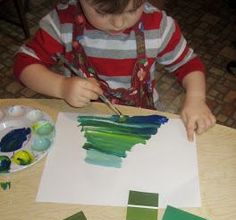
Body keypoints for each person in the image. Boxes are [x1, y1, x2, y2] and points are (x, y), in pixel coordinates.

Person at [14, 0, 216, 141]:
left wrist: (196, 99)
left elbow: (188, 64)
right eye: (103, 12)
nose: (119, 23)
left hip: (143, 117)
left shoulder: (158, 25)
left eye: (133, 9)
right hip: (82, 120)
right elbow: (23, 64)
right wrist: (61, 86)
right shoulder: (62, 23)